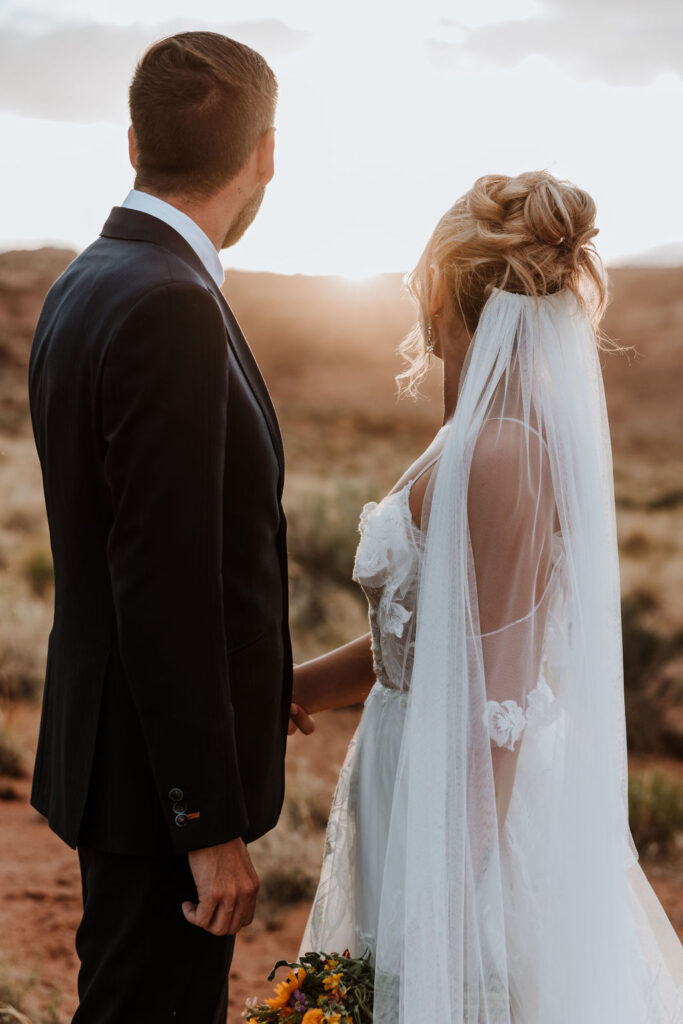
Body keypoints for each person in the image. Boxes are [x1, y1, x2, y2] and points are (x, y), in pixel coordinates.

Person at [294, 171, 683, 1022]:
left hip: (462, 800)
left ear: (438, 288)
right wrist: (297, 690)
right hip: (413, 762)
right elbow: (430, 635)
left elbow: (494, 701)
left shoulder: (501, 450)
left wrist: (450, 905)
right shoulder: (473, 431)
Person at [28, 31, 312, 1024]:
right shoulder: (168, 303)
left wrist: (257, 685)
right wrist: (205, 819)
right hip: (156, 790)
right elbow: (163, 577)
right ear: (263, 153)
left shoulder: (88, 278)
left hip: (117, 753)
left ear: (133, 139)